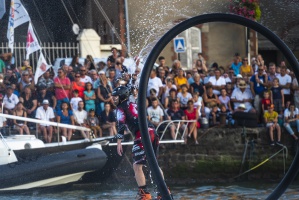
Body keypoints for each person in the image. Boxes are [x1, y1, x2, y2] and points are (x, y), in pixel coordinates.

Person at [112, 86, 171, 200]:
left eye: (115, 97)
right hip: (152, 131)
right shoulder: (132, 103)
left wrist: (119, 141)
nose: (113, 99)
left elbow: (121, 124)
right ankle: (163, 192)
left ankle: (144, 194)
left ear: (122, 96)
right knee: (154, 164)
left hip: (143, 134)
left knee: (137, 166)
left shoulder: (120, 107)